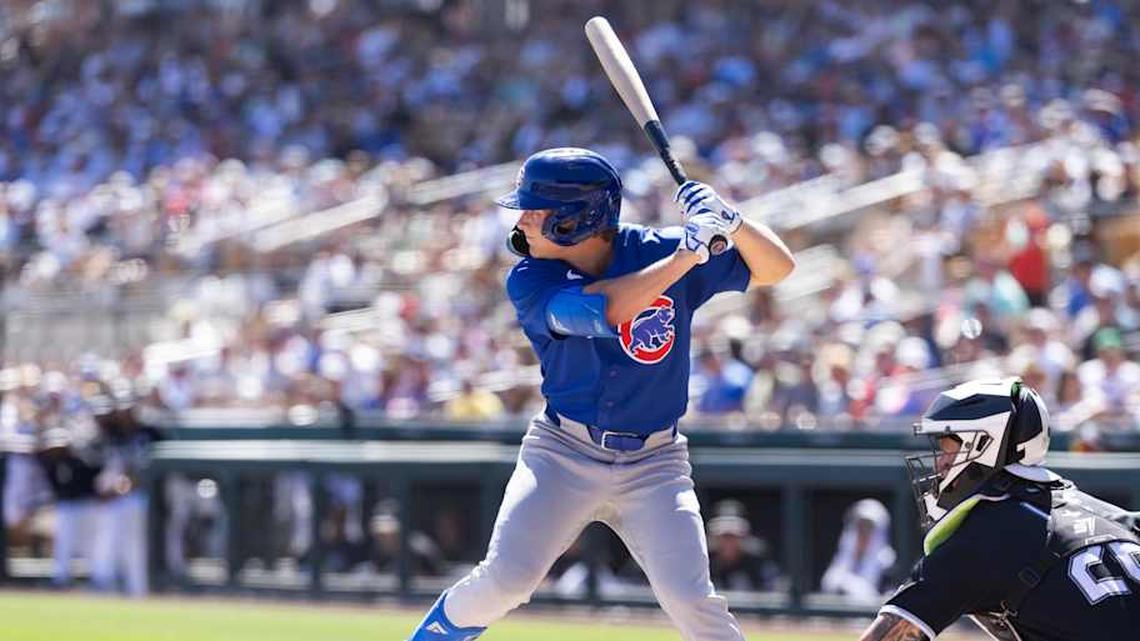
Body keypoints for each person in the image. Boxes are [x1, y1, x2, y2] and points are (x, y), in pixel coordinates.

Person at [406, 147, 795, 641]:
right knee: (507, 579)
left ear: (575, 218)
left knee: (692, 601)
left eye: (534, 208)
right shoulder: (530, 278)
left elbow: (777, 268)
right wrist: (687, 256)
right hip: (563, 453)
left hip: (656, 463)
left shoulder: (661, 248)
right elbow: (604, 312)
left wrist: (734, 221)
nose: (521, 219)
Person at [856, 378, 1140, 641]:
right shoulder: (1115, 517)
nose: (940, 463)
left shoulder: (987, 531)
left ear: (985, 444)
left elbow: (893, 633)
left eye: (948, 449)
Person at [821, 498, 896, 603]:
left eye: (868, 528)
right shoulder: (844, 556)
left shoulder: (888, 566)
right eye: (859, 527)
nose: (862, 534)